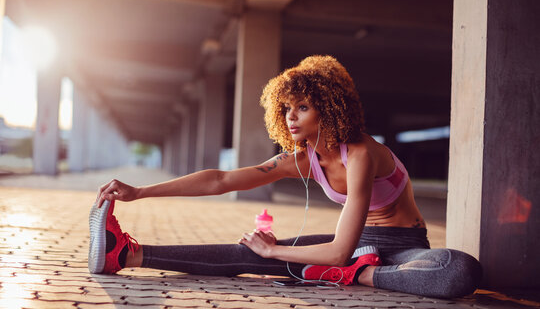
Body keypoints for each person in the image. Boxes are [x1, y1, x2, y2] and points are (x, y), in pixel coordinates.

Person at [89, 55, 482, 298]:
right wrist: (139, 191)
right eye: (287, 107)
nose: (291, 116)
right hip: (355, 246)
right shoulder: (303, 159)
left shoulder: (361, 153)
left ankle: (362, 277)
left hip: (402, 248)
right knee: (246, 253)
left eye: (303, 106)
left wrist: (274, 251)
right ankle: (126, 254)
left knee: (457, 271)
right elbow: (221, 180)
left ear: (329, 107)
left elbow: (338, 252)